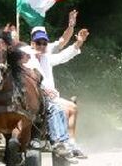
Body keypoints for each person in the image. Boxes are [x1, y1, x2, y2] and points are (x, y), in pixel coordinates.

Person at [26, 27, 90, 158]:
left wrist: (78, 43)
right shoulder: (26, 59)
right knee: (57, 109)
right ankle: (59, 142)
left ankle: (70, 143)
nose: (42, 46)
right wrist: (44, 90)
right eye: (38, 43)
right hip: (33, 98)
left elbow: (63, 56)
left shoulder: (46, 58)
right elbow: (27, 79)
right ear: (32, 43)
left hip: (50, 97)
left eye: (44, 43)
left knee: (72, 107)